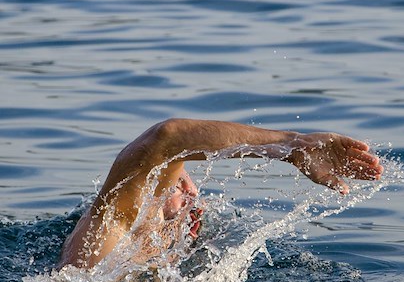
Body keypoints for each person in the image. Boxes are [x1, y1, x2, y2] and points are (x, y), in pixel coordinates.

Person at [58, 118, 383, 270]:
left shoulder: (154, 269)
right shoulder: (110, 229)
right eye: (175, 177)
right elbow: (167, 138)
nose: (187, 188)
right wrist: (293, 145)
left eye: (191, 193)